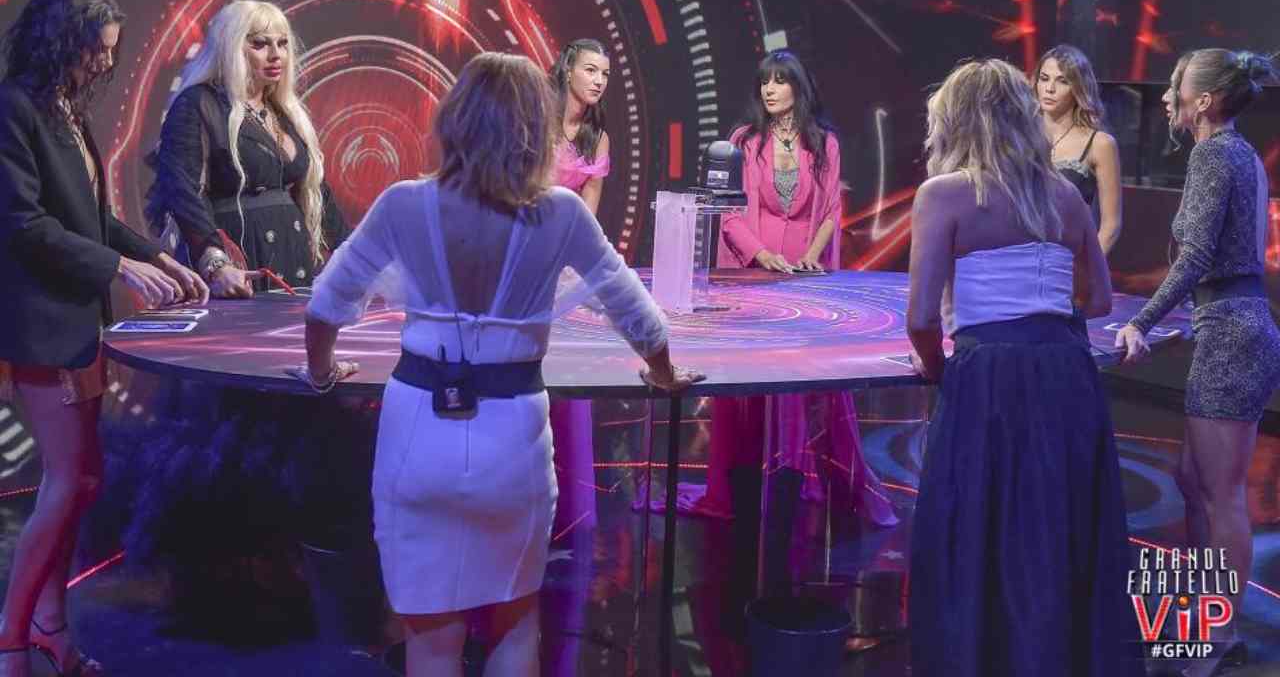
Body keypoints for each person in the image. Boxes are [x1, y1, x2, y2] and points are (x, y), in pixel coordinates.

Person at [294, 52, 701, 677]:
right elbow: (639, 315)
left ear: (456, 119)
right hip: (513, 444)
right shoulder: (562, 212)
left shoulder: (403, 203)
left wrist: (321, 372)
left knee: (431, 640)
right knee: (514, 626)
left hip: (417, 437)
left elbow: (325, 307)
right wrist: (664, 373)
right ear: (538, 128)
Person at [0, 0, 207, 677]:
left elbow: (92, 219)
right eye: (97, 50)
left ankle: (52, 627)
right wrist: (119, 265)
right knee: (67, 481)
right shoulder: (14, 108)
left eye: (112, 52)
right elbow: (23, 224)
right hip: (43, 324)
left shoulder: (64, 109)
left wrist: (156, 257)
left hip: (80, 323)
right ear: (61, 41)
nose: (105, 64)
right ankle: (11, 638)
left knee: (83, 482)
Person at [906, 58, 1138, 677]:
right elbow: (1098, 301)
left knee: (983, 528)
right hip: (1067, 374)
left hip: (988, 378)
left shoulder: (943, 194)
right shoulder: (1063, 194)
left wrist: (938, 370)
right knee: (1058, 528)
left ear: (955, 120)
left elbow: (921, 319)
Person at [1116, 49, 1280, 677]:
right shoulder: (1236, 152)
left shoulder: (1214, 154)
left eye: (1175, 87)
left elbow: (1197, 258)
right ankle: (1203, 616)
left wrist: (1142, 321)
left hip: (1233, 334)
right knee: (1192, 480)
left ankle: (1218, 638)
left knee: (1221, 493)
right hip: (1231, 326)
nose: (1166, 97)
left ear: (1203, 101)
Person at [686, 50, 897, 533]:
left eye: (780, 81)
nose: (770, 89)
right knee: (748, 385)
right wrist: (762, 256)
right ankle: (739, 489)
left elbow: (830, 211)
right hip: (752, 275)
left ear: (798, 87)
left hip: (802, 280)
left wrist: (811, 259)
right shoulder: (744, 142)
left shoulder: (824, 143)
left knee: (804, 388)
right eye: (765, 81)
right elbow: (730, 215)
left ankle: (794, 482)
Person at [144, 0, 348, 297]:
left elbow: (317, 191)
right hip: (239, 267)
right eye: (260, 44)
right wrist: (216, 264)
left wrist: (353, 252)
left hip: (293, 261)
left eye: (282, 44)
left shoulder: (283, 111)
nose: (276, 54)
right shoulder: (199, 104)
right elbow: (183, 192)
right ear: (231, 47)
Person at [547, 38, 612, 535]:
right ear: (568, 69)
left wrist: (573, 263)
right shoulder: (536, 119)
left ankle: (569, 504)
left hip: (566, 261)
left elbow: (588, 212)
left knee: (567, 377)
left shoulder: (597, 137)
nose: (598, 81)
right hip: (524, 246)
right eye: (591, 70)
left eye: (605, 74)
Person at [1033, 44, 1123, 253]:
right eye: (1044, 79)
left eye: (1062, 81)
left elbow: (1110, 227)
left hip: (1067, 261)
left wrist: (1086, 267)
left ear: (1079, 88)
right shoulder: (1019, 135)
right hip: (1017, 259)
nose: (1050, 88)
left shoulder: (1100, 144)